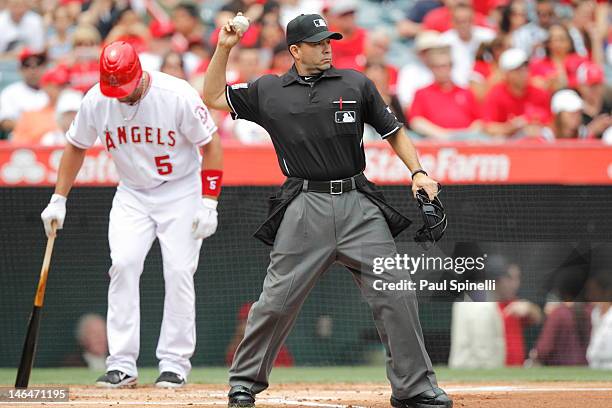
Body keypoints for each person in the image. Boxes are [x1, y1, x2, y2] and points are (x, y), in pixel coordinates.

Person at [203, 13, 452, 408]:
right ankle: (244, 383)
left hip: (358, 202)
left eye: (329, 40)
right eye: (318, 43)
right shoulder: (270, 89)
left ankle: (414, 387)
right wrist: (225, 47)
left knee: (397, 291)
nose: (327, 47)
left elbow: (394, 131)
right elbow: (212, 97)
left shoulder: (354, 83)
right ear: (295, 50)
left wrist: (418, 171)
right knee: (275, 301)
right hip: (305, 204)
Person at [40, 41, 223, 389]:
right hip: (132, 193)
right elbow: (76, 144)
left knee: (179, 271)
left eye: (123, 86)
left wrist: (209, 200)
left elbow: (210, 143)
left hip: (181, 189)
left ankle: (174, 364)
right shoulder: (97, 99)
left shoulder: (176, 94)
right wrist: (58, 198)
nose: (120, 95)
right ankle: (121, 364)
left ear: (139, 73)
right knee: (123, 265)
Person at [409, 47, 482, 140]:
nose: (441, 70)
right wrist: (443, 135)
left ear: (451, 66)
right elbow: (416, 121)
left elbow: (479, 121)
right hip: (434, 142)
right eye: (437, 67)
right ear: (431, 68)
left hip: (466, 143)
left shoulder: (466, 92)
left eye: (444, 66)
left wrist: (467, 135)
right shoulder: (421, 93)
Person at [483, 48, 551, 138]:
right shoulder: (496, 94)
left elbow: (552, 123)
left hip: (536, 142)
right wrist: (510, 127)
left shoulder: (540, 93)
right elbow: (488, 127)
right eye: (518, 70)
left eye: (526, 68)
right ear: (506, 74)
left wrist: (531, 122)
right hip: (508, 142)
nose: (524, 73)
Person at [0, 49, 49, 134]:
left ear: (45, 67)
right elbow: (5, 122)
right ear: (20, 69)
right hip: (22, 143)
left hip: (51, 142)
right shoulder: (10, 92)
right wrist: (33, 129)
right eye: (27, 65)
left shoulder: (54, 91)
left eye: (38, 64)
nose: (33, 70)